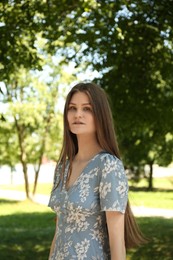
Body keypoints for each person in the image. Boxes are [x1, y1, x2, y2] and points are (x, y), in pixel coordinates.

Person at [48, 82, 145, 260]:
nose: (78, 114)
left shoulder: (108, 166)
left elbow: (117, 242)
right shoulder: (63, 167)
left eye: (87, 109)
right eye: (72, 108)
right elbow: (58, 232)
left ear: (100, 115)